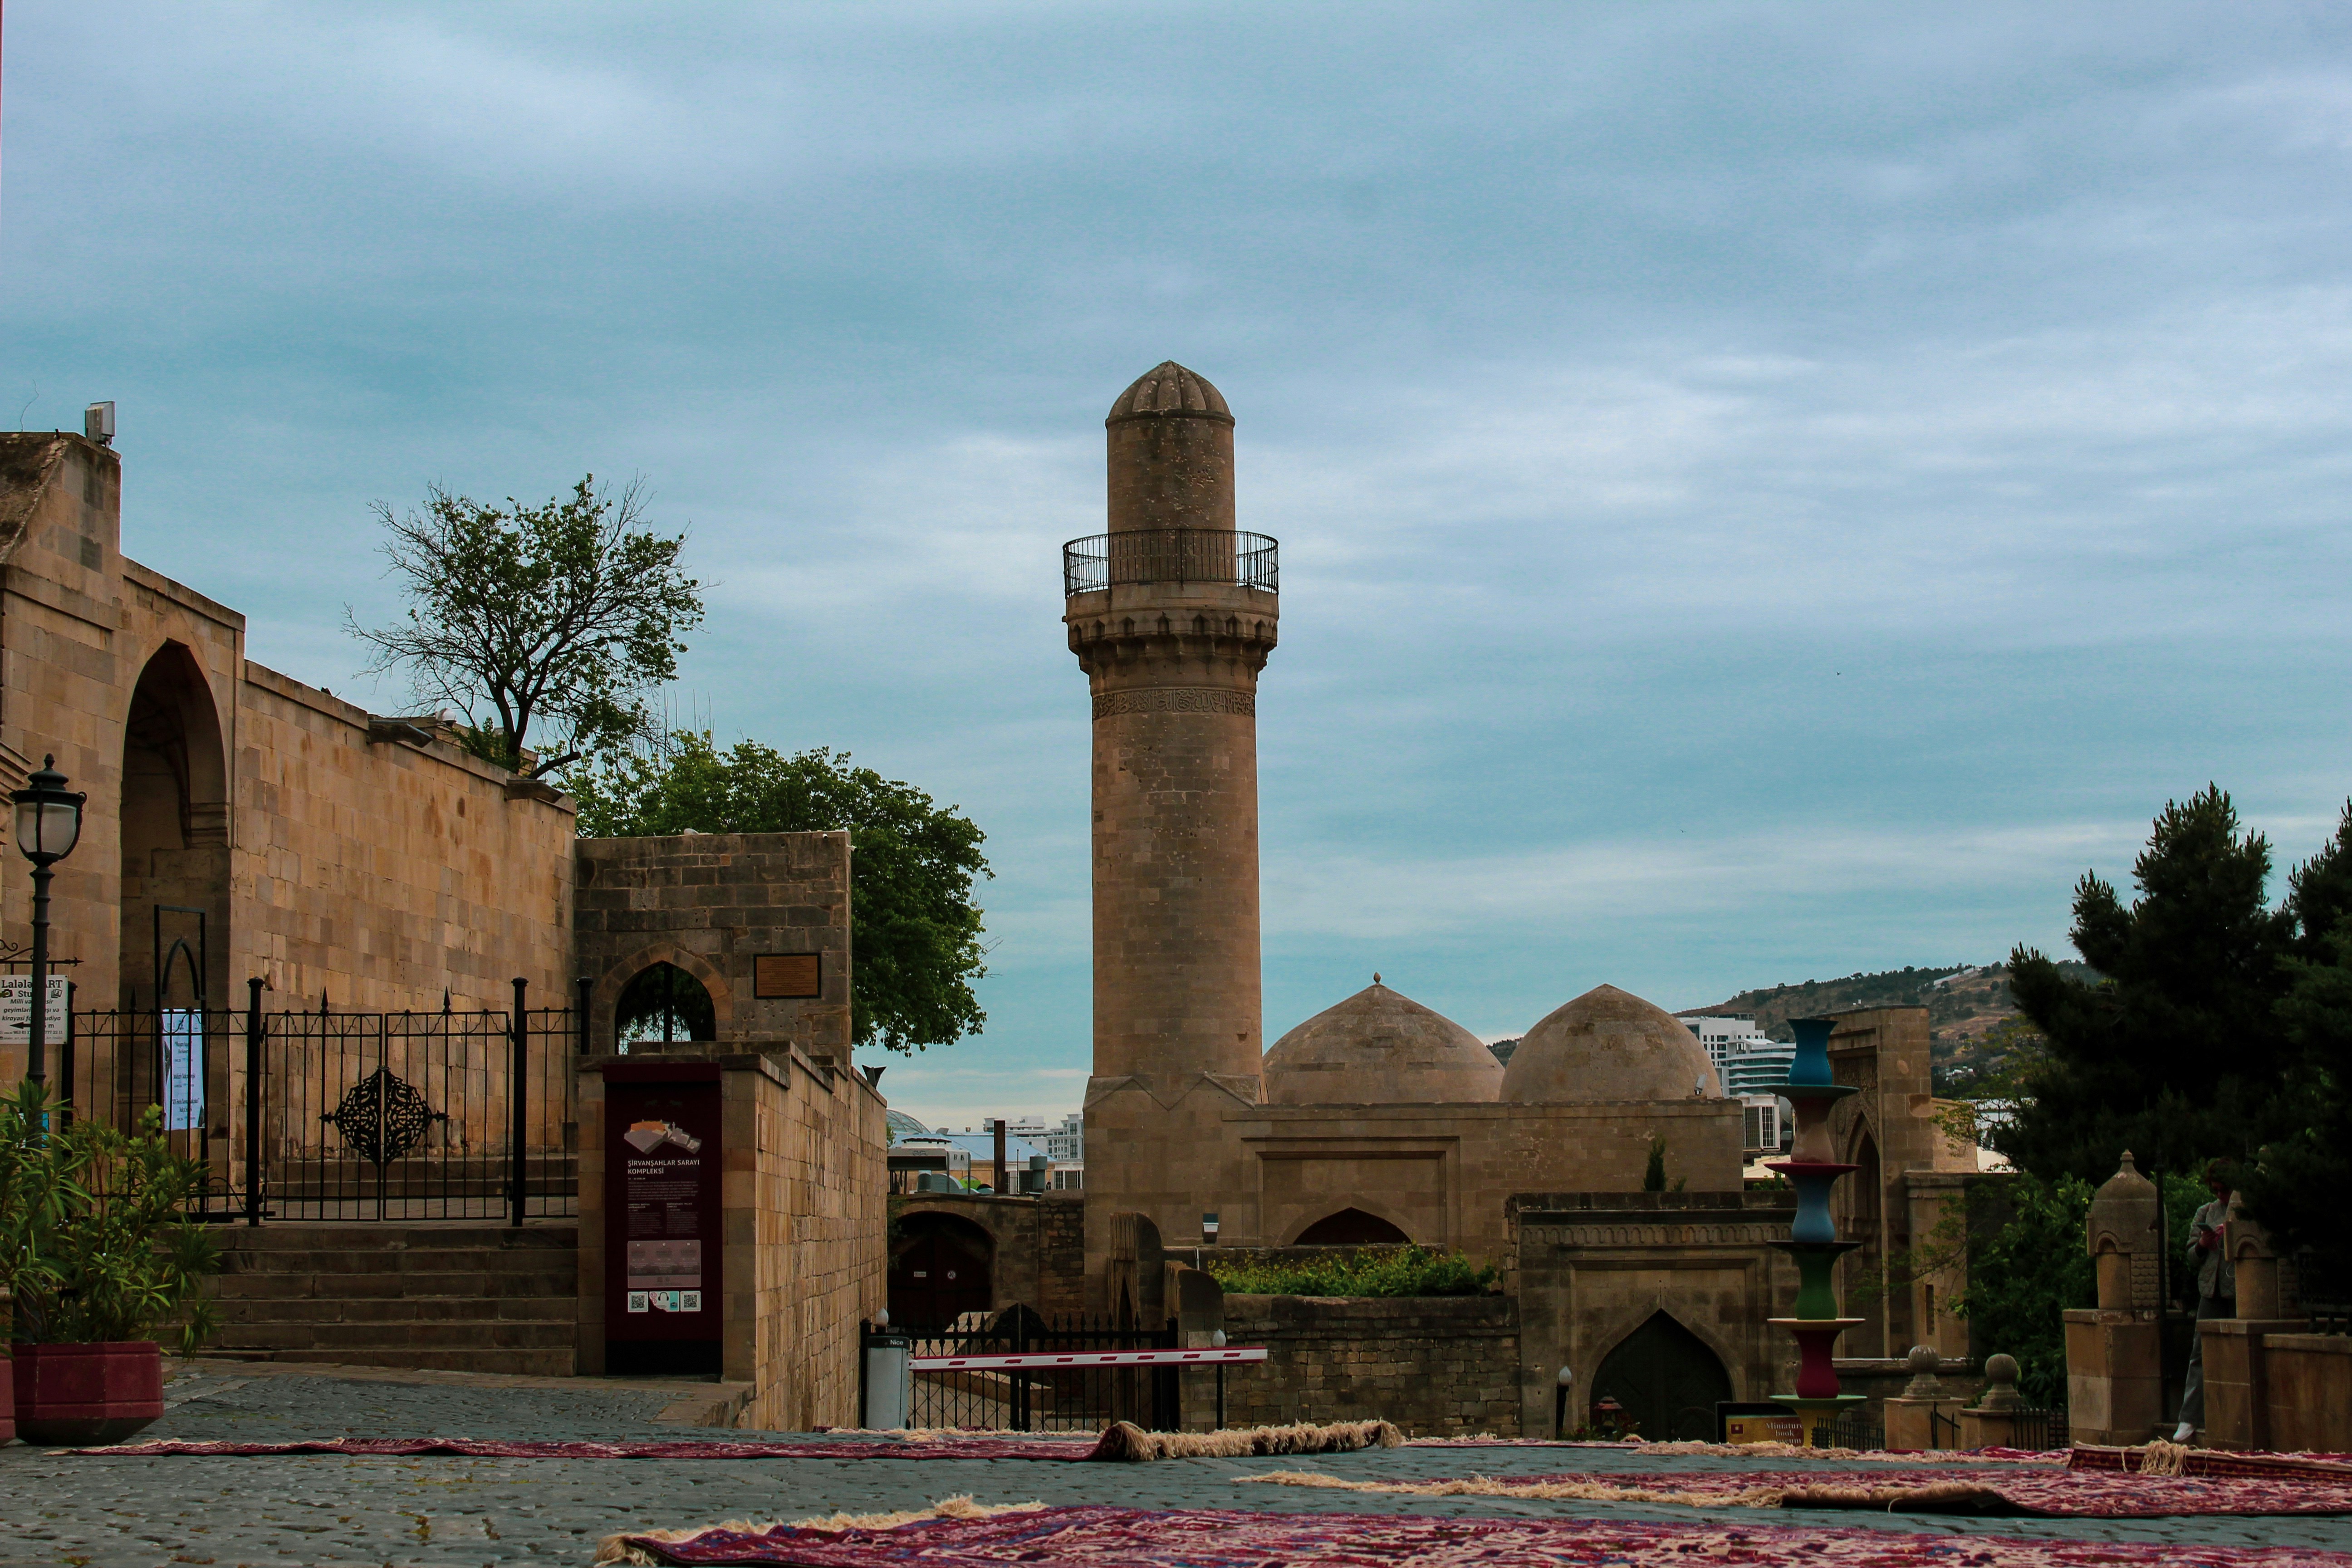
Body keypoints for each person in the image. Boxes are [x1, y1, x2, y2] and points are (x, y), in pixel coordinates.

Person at [2174, 1161, 2236, 1443]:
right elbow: (2190, 1256)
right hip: (2211, 1290)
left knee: (2237, 1355)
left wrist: (2231, 1233)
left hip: (2237, 1291)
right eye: (2217, 1190)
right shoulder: (2206, 1211)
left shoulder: (2241, 1209)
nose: (2221, 1195)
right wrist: (2203, 1244)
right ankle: (2189, 1418)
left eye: (2225, 1190)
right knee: (2199, 1355)